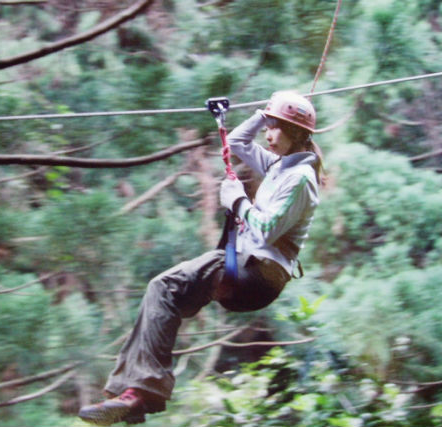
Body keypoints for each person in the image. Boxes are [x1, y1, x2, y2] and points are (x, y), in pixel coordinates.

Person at [78, 91, 323, 426]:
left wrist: (236, 200)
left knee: (164, 287)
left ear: (297, 135)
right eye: (269, 127)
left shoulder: (300, 180)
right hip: (247, 266)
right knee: (164, 295)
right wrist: (262, 114)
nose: (268, 135)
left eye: (277, 129)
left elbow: (266, 230)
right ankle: (130, 395)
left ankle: (139, 393)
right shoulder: (280, 164)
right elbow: (236, 142)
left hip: (258, 274)